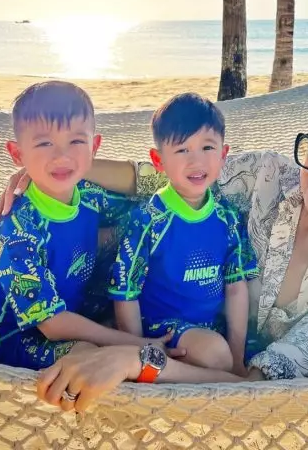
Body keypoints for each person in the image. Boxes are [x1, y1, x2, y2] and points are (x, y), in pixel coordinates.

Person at [0, 92, 308, 410]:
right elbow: (155, 176)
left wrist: (141, 360)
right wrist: (50, 169)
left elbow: (255, 388)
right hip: (92, 263)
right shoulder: (269, 174)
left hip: (176, 337)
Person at [0, 81, 171, 372]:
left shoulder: (89, 196)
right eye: (44, 144)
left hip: (76, 308)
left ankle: (205, 374)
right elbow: (51, 326)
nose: (61, 156)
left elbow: (150, 206)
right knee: (89, 355)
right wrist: (134, 343)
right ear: (17, 155)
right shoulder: (16, 231)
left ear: (94, 147)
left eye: (76, 141)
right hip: (12, 339)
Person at [108, 93, 258, 375]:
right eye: (182, 150)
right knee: (216, 354)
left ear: (223, 154)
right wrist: (140, 348)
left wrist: (238, 359)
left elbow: (236, 287)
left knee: (260, 359)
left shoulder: (227, 217)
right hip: (162, 330)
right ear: (158, 160)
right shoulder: (149, 219)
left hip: (214, 327)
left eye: (207, 147)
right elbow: (125, 291)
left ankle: (224, 372)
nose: (196, 161)